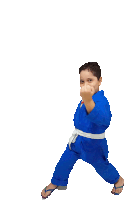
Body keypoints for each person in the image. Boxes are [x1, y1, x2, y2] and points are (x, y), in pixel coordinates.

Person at [41, 62, 124, 198]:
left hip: (94, 145)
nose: (86, 84)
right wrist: (85, 99)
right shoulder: (84, 99)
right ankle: (56, 181)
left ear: (100, 80)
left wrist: (87, 99)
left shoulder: (101, 101)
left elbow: (103, 119)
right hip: (77, 140)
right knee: (64, 161)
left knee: (102, 167)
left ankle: (118, 179)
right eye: (82, 81)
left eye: (90, 80)